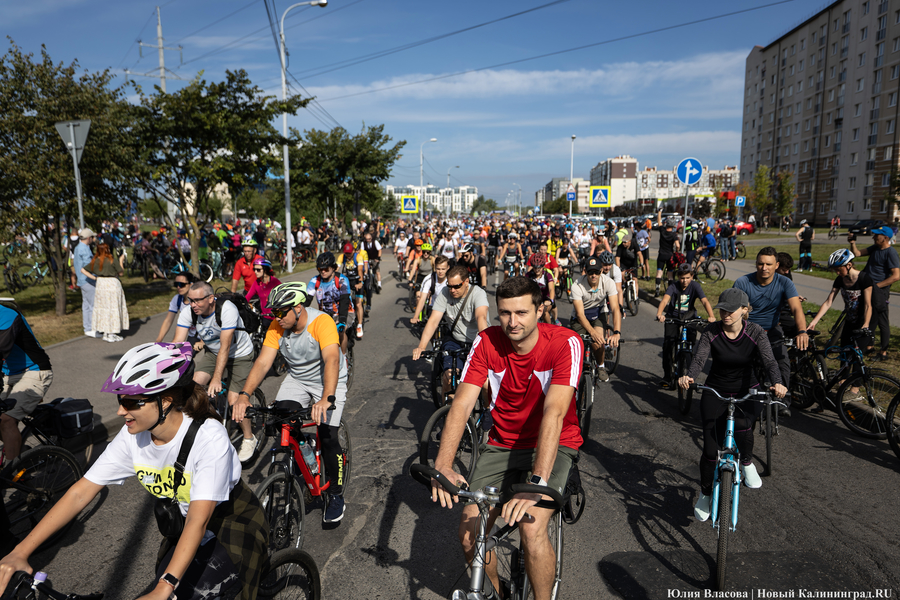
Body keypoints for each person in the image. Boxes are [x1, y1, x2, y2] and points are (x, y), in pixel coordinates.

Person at [0, 342, 269, 600]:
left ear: (164, 401)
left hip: (230, 520)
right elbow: (80, 493)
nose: (120, 411)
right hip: (184, 522)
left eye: (131, 403)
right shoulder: (133, 435)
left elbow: (198, 521)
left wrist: (166, 586)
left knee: (189, 591)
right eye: (120, 400)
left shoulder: (209, 437)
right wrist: (20, 552)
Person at [428, 276, 582, 600]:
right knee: (470, 533)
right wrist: (443, 463)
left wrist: (537, 484)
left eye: (522, 312)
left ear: (540, 310)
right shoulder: (486, 342)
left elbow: (554, 414)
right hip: (502, 443)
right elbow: (462, 403)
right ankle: (500, 594)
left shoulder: (565, 343)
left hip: (554, 442)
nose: (512, 322)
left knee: (531, 525)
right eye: (505, 313)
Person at [234, 283, 349, 523]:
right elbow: (264, 363)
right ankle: (304, 452)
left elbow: (331, 360)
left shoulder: (321, 322)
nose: (275, 317)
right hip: (297, 379)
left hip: (329, 381)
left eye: (280, 311)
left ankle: (336, 495)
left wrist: (326, 398)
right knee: (282, 418)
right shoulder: (277, 326)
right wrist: (245, 395)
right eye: (273, 312)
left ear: (298, 308)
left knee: (328, 436)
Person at [678, 288, 787, 522]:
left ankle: (746, 461)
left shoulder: (756, 332)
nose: (725, 314)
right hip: (715, 390)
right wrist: (690, 376)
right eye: (722, 309)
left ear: (745, 310)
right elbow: (699, 358)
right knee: (709, 450)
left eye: (731, 309)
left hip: (747, 390)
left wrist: (777, 382)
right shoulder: (712, 331)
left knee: (742, 424)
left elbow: (769, 360)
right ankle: (706, 493)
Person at [172, 282, 259, 462]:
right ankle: (208, 424)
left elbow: (225, 347)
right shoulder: (189, 312)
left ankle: (249, 438)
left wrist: (217, 378)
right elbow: (177, 343)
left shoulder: (227, 309)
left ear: (211, 299)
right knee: (194, 386)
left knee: (235, 400)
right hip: (213, 352)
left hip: (239, 354)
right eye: (190, 300)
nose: (193, 305)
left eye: (197, 300)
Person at [732, 247, 809, 415]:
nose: (764, 268)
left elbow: (796, 308)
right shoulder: (742, 282)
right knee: (741, 366)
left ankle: (782, 401)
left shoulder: (784, 282)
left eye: (768, 264)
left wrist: (802, 331)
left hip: (772, 330)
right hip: (748, 330)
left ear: (777, 265)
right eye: (760, 264)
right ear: (756, 264)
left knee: (782, 360)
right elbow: (733, 310)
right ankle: (741, 401)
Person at [412, 266, 490, 399]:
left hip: (477, 340)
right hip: (454, 340)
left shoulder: (478, 293)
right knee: (448, 378)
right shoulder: (445, 292)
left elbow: (481, 317)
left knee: (486, 385)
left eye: (457, 286)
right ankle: (446, 413)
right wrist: (422, 346)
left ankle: (487, 413)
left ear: (466, 282)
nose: (452, 290)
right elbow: (433, 320)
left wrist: (485, 346)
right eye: (450, 286)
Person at [0, 306, 52, 463]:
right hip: (7, 374)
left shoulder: (6, 315)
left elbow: (1, 349)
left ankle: (12, 471)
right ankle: (18, 450)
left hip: (34, 371)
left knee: (6, 419)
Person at [655, 263, 717, 388]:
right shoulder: (673, 286)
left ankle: (687, 364)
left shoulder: (695, 286)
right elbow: (665, 299)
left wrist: (712, 316)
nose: (685, 281)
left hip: (689, 317)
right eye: (682, 278)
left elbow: (704, 301)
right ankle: (667, 376)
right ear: (678, 277)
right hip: (673, 317)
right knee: (668, 345)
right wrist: (660, 314)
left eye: (688, 278)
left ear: (692, 276)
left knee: (691, 343)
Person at [807, 249, 873, 365]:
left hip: (863, 322)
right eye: (834, 270)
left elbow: (868, 305)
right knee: (845, 354)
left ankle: (856, 382)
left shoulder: (864, 279)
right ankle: (843, 380)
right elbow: (828, 302)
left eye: (838, 269)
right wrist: (814, 322)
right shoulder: (840, 280)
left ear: (849, 265)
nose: (837, 273)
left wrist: (866, 324)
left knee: (857, 355)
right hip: (849, 321)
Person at [849, 226, 899, 361]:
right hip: (868, 287)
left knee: (882, 320)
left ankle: (883, 352)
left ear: (885, 238)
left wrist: (875, 286)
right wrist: (852, 243)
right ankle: (869, 346)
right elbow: (857, 253)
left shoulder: (891, 253)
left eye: (877, 235)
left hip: (879, 291)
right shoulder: (875, 248)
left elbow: (895, 276)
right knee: (868, 317)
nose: (874, 237)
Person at [568, 257, 620, 382]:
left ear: (601, 271)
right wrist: (592, 333)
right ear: (585, 272)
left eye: (596, 272)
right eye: (591, 272)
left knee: (598, 342)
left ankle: (601, 366)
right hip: (580, 317)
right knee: (578, 347)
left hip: (598, 314)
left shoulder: (608, 282)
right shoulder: (577, 285)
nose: (594, 275)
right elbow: (580, 314)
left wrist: (617, 333)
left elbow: (615, 308)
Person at [81, 242, 129, 343]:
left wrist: (94, 277)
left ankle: (106, 332)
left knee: (103, 308)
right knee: (113, 307)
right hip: (112, 284)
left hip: (100, 284)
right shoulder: (112, 260)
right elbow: (121, 272)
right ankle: (111, 333)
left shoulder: (96, 261)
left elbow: (83, 270)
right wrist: (121, 261)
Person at [308, 252, 355, 356]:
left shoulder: (342, 280)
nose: (323, 271)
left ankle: (343, 358)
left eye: (326, 269)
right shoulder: (315, 281)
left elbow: (344, 301)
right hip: (325, 314)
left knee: (340, 330)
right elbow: (306, 300)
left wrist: (342, 320)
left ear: (333, 268)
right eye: (320, 269)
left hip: (345, 311)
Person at [336, 241, 368, 339]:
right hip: (347, 280)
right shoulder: (342, 257)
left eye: (349, 253)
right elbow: (336, 269)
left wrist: (360, 282)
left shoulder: (358, 257)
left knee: (358, 303)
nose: (348, 255)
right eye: (346, 253)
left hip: (357, 280)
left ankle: (359, 325)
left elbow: (360, 270)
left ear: (353, 251)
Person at [156, 271, 197, 343]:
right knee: (176, 351)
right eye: (176, 284)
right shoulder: (177, 299)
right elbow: (168, 321)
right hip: (193, 334)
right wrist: (158, 340)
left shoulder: (199, 299)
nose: (178, 287)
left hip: (207, 334)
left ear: (191, 284)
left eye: (182, 284)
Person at [73, 228, 98, 338]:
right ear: (89, 238)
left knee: (86, 305)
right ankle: (93, 328)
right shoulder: (85, 249)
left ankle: (87, 328)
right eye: (92, 237)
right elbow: (89, 266)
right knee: (93, 305)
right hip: (89, 280)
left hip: (81, 280)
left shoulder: (77, 248)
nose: (93, 239)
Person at [244, 256, 282, 329]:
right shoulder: (256, 283)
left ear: (265, 270)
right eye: (254, 269)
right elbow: (247, 297)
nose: (255, 272)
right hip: (265, 318)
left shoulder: (275, 282)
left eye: (258, 270)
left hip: (277, 317)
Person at [411, 256, 450, 325]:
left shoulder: (451, 279)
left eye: (443, 269)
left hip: (449, 307)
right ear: (434, 267)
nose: (440, 271)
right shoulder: (429, 279)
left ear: (448, 268)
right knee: (432, 326)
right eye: (438, 269)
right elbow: (422, 299)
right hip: (434, 307)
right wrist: (415, 316)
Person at [652, 211, 680, 297]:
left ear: (666, 224)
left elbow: (659, 221)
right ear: (673, 226)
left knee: (659, 273)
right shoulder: (674, 235)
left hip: (661, 254)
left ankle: (657, 290)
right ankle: (670, 292)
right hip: (670, 255)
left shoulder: (662, 231)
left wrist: (659, 212)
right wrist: (676, 251)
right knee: (670, 275)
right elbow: (678, 245)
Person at [526, 253, 556, 325]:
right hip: (534, 299)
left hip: (546, 299)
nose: (537, 270)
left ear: (543, 266)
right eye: (535, 268)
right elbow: (524, 288)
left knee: (544, 311)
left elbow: (551, 289)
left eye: (539, 268)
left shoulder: (547, 275)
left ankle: (550, 328)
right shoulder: (528, 275)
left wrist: (551, 300)